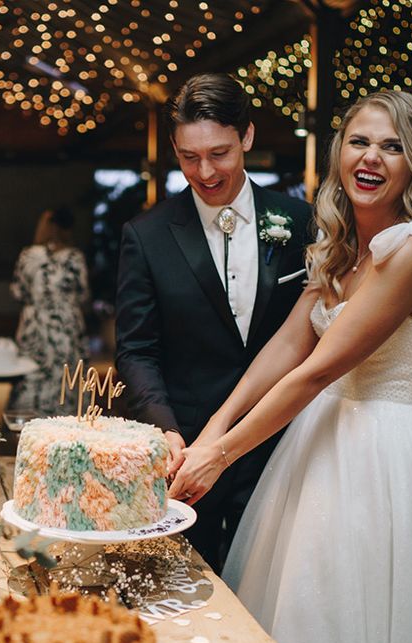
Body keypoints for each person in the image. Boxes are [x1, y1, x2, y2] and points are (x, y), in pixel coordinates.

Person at [169, 90, 412, 643]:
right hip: (320, 446)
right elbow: (282, 350)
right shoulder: (342, 249)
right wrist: (208, 433)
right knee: (300, 604)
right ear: (340, 154)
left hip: (385, 458)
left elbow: (316, 372)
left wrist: (221, 455)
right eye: (360, 142)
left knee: (360, 623)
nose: (372, 158)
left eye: (393, 147)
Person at [114, 73, 312, 570]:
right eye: (188, 157)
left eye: (219, 153)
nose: (204, 172)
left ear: (246, 137)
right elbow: (137, 349)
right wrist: (165, 430)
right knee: (188, 584)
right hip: (189, 453)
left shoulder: (303, 221)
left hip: (283, 440)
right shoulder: (147, 235)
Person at [8, 208, 90, 414]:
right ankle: (68, 427)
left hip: (34, 326)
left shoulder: (28, 256)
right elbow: (83, 294)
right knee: (67, 376)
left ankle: (28, 425)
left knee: (32, 375)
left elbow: (18, 292)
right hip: (66, 328)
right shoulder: (74, 257)